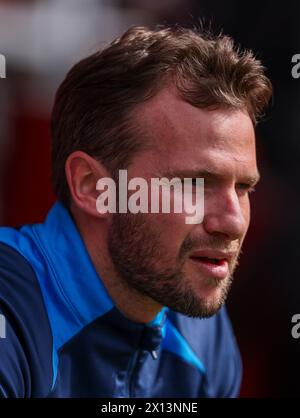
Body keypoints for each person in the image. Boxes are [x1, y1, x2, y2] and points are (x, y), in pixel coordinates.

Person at [0, 25, 271, 397]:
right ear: (94, 188)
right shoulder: (11, 314)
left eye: (243, 187)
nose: (234, 222)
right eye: (195, 184)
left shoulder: (198, 321)